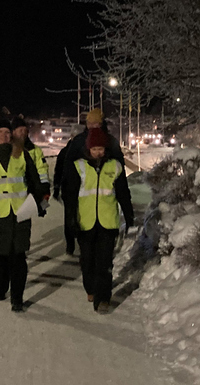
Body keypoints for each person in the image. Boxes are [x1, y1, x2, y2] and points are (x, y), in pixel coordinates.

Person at [0, 119, 46, 312]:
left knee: (18, 255)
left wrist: (41, 202)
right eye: (1, 132)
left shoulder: (22, 155)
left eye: (8, 132)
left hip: (20, 212)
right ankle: (1, 288)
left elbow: (34, 180)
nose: (5, 135)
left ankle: (17, 298)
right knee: (0, 254)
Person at [66, 127, 133, 313]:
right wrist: (71, 218)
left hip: (108, 221)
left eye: (101, 149)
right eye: (94, 149)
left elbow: (123, 193)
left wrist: (128, 214)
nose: (98, 152)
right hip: (85, 222)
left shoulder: (115, 166)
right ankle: (91, 288)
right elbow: (70, 196)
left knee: (104, 262)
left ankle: (103, 299)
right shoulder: (78, 166)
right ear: (88, 149)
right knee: (87, 260)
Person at [53, 108, 124, 255]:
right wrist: (63, 185)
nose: (93, 126)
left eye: (96, 123)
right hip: (77, 184)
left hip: (102, 185)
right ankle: (72, 243)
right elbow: (67, 163)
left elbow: (119, 164)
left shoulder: (110, 140)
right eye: (90, 123)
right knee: (72, 216)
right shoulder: (79, 140)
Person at [12, 116, 51, 197]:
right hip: (14, 192)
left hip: (33, 191)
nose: (23, 133)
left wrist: (45, 185)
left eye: (25, 130)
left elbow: (42, 169)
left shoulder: (35, 150)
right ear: (13, 132)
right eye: (20, 130)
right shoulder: (8, 149)